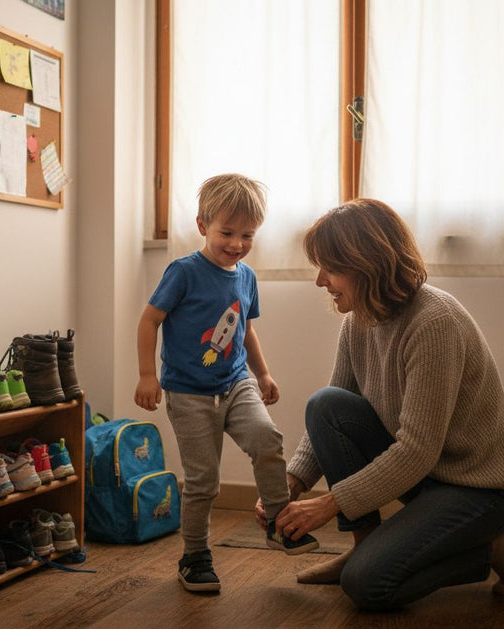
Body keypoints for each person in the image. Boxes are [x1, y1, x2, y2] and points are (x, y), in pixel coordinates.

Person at [259, 198, 504, 610]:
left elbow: (416, 450)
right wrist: (292, 483)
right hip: (427, 477)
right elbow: (331, 418)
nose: (320, 281)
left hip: (481, 489)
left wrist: (329, 505)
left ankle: (487, 548)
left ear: (367, 265)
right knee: (326, 404)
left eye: (330, 268)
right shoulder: (358, 321)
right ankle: (364, 544)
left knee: (367, 584)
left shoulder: (434, 322)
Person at [135, 173, 319, 593]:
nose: (237, 243)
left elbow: (245, 331)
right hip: (188, 392)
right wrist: (147, 375)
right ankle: (194, 556)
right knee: (204, 482)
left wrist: (263, 373)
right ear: (203, 225)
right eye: (227, 233)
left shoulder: (246, 277)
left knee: (266, 438)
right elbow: (149, 321)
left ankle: (277, 521)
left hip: (236, 383)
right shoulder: (183, 272)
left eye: (247, 235)